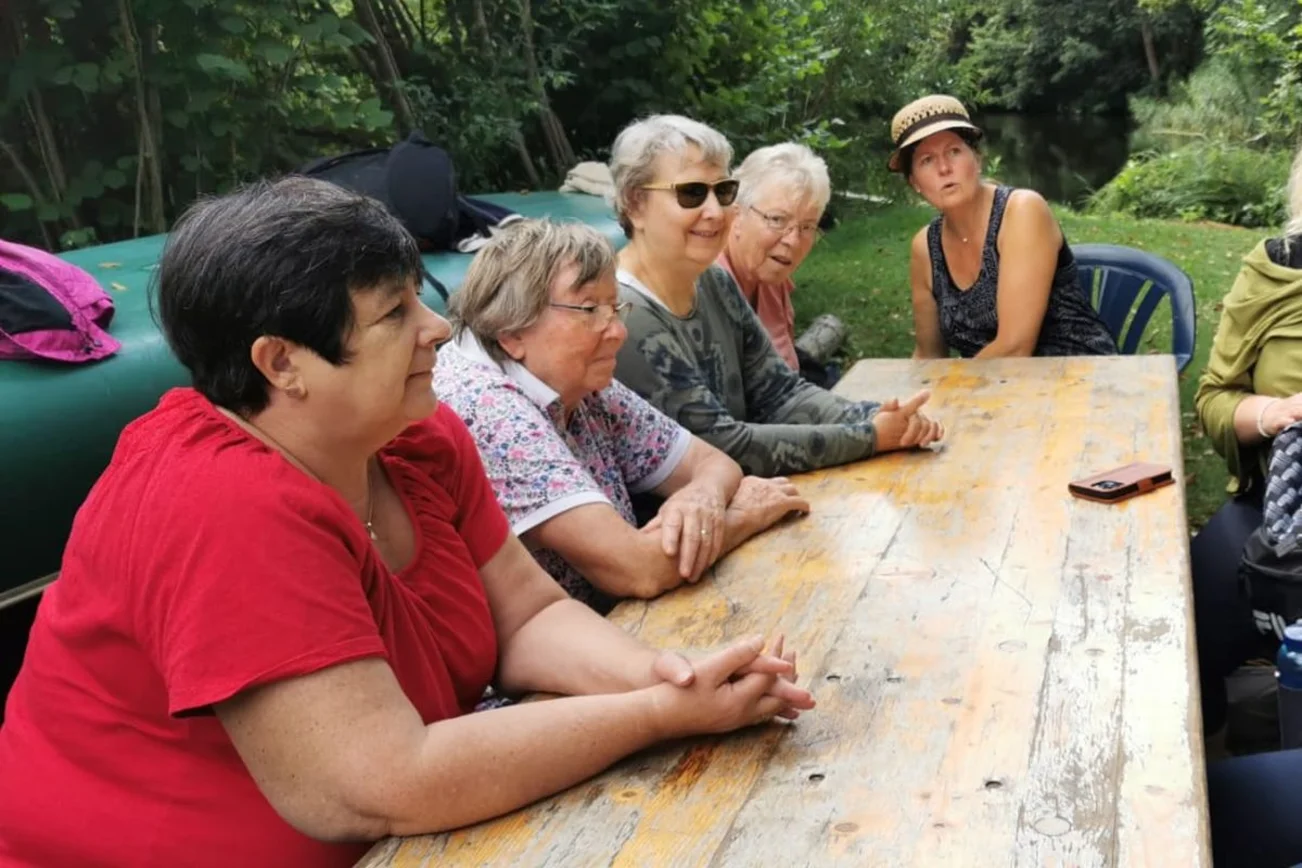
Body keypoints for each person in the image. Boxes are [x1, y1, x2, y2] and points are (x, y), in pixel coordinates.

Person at [0, 178, 814, 868]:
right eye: (394, 314)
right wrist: (657, 716)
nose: (438, 327)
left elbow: (525, 617)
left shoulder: (414, 435)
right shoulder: (219, 501)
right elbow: (383, 783)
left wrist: (668, 677)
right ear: (281, 363)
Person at [435, 219, 811, 614]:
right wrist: (741, 517)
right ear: (511, 333)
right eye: (589, 309)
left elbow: (713, 462)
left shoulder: (574, 376)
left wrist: (703, 496)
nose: (616, 331)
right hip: (549, 661)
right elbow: (637, 569)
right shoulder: (489, 411)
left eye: (614, 307)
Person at [608, 114, 943, 477]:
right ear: (635, 204)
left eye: (722, 192)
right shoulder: (624, 313)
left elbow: (781, 392)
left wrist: (875, 415)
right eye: (691, 193)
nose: (715, 211)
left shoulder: (715, 282)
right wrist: (870, 436)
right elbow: (721, 446)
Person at [891, 94, 1117, 360]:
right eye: (926, 160)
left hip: (1076, 377)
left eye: (954, 151)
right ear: (914, 181)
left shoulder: (1021, 212)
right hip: (991, 391)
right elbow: (929, 355)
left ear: (976, 158)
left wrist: (951, 394)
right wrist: (911, 397)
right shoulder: (925, 248)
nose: (944, 168)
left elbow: (1014, 346)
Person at [718, 142, 837, 385]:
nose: (793, 241)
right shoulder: (704, 288)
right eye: (777, 219)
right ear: (736, 214)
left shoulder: (772, 279)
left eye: (807, 227)